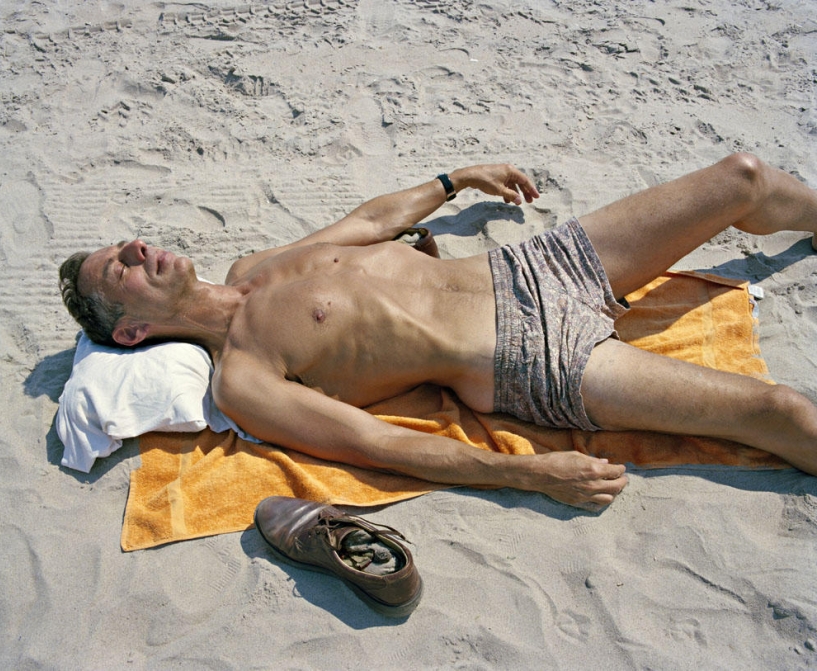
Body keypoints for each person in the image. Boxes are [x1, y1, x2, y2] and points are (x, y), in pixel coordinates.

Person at [59, 154, 817, 511]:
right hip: (532, 359)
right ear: (132, 332)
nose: (135, 247)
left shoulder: (255, 261)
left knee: (744, 177)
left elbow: (367, 222)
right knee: (780, 413)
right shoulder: (246, 379)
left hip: (532, 264)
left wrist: (454, 181)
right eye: (116, 269)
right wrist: (532, 474)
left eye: (126, 242)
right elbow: (378, 446)